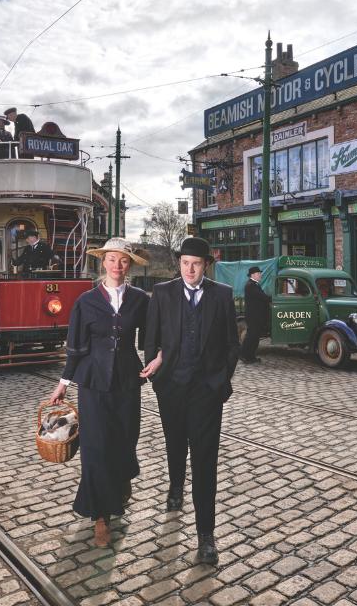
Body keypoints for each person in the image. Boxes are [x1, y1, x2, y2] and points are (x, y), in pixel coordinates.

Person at [142, 236, 239, 565]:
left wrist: (221, 382)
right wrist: (157, 378)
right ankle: (174, 487)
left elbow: (231, 345)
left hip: (206, 392)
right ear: (179, 263)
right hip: (171, 387)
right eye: (185, 263)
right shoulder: (162, 294)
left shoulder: (222, 295)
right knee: (174, 443)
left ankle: (206, 535)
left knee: (205, 460)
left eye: (196, 263)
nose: (190, 269)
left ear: (206, 265)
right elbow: (150, 340)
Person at [48, 237, 149, 547]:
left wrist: (158, 359)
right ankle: (100, 516)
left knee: (126, 438)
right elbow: (75, 346)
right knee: (95, 448)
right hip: (92, 384)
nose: (117, 265)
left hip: (127, 382)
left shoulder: (140, 299)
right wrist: (64, 383)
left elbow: (152, 338)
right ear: (102, 262)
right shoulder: (86, 301)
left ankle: (120, 482)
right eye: (111, 259)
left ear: (129, 265)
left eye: (123, 260)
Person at [240, 266, 270, 363]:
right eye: (258, 273)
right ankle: (244, 356)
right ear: (253, 275)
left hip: (257, 316)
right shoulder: (250, 285)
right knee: (251, 337)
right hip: (254, 317)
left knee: (255, 337)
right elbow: (262, 297)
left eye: (260, 273)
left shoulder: (255, 285)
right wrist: (270, 298)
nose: (260, 275)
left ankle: (251, 356)